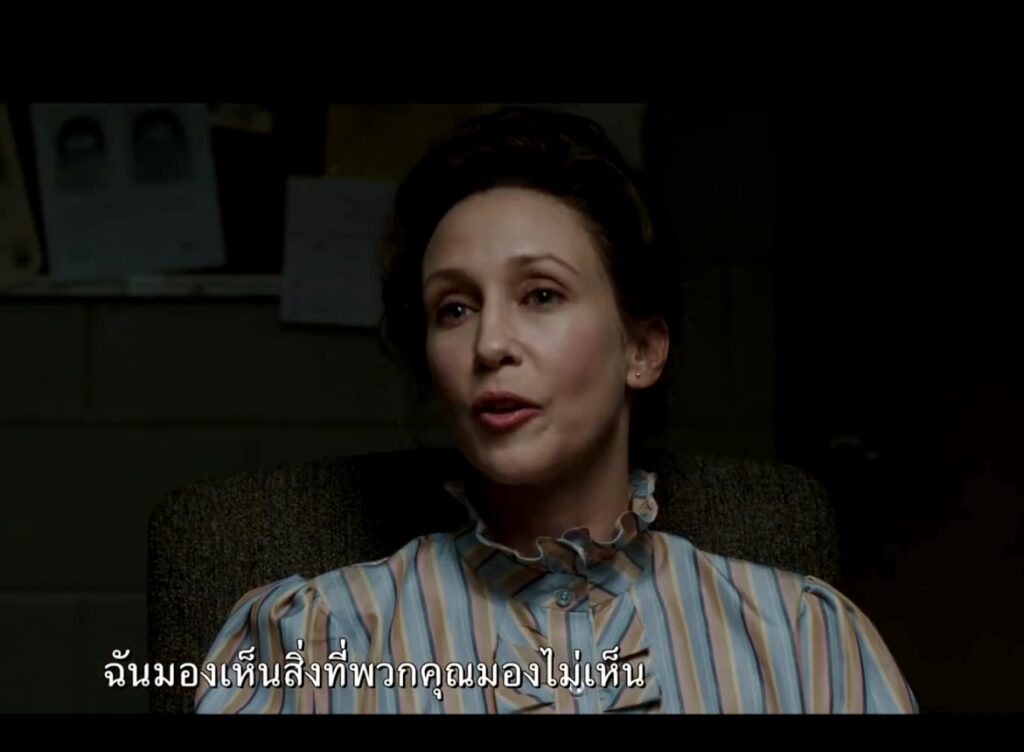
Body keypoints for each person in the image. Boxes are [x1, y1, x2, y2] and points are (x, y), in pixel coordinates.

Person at [194, 107, 918, 714]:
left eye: (541, 295)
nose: (490, 344)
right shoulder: (313, 641)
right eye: (454, 308)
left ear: (642, 349)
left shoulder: (804, 639)